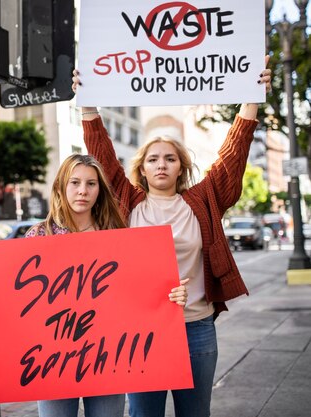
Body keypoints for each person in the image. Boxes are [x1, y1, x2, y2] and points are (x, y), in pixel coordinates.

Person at [71, 56, 272, 417]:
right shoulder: (127, 202)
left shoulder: (203, 200)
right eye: (152, 159)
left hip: (196, 328)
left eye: (170, 158)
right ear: (142, 169)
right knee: (143, 414)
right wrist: (87, 101)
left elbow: (231, 158)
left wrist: (252, 100)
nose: (161, 164)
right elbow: (102, 152)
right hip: (139, 332)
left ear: (181, 167)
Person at [0, 153, 189, 417]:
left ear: (99, 190)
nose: (83, 191)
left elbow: (140, 294)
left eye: (91, 184)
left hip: (108, 358)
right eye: (75, 182)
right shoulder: (37, 236)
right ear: (61, 186)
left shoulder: (118, 237)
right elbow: (16, 301)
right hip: (51, 361)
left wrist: (171, 295)